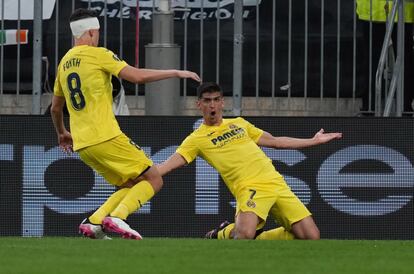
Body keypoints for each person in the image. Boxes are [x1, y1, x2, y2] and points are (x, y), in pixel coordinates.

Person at [51, 8, 200, 240]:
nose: (98, 36)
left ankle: (94, 222)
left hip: (83, 144)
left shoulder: (64, 64)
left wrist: (62, 133)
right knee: (153, 178)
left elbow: (55, 108)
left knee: (132, 183)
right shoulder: (98, 54)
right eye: (97, 32)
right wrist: (176, 72)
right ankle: (119, 217)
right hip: (106, 135)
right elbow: (137, 76)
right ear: (91, 32)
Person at [157, 82, 342, 240]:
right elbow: (167, 166)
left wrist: (314, 140)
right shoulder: (196, 139)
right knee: (244, 234)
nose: (212, 105)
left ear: (222, 102)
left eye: (216, 100)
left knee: (311, 236)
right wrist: (137, 173)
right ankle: (222, 233)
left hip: (275, 182)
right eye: (207, 100)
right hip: (249, 187)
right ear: (199, 104)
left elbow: (276, 142)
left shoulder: (240, 123)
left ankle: (257, 238)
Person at [356, 0, 414, 114]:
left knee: (372, 62)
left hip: (374, 10)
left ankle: (370, 108)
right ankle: (405, 108)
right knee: (405, 62)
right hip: (400, 10)